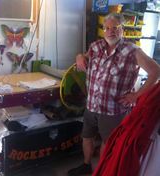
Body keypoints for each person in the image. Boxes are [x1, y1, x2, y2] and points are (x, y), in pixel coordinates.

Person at [67, 13, 160, 176]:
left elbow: (156, 71)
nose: (111, 31)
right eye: (107, 28)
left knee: (108, 143)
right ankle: (86, 165)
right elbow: (83, 59)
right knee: (87, 137)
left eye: (115, 28)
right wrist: (79, 56)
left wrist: (136, 95)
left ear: (122, 30)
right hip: (92, 105)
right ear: (104, 30)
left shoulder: (133, 51)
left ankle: (104, 170)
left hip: (113, 110)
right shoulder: (95, 47)